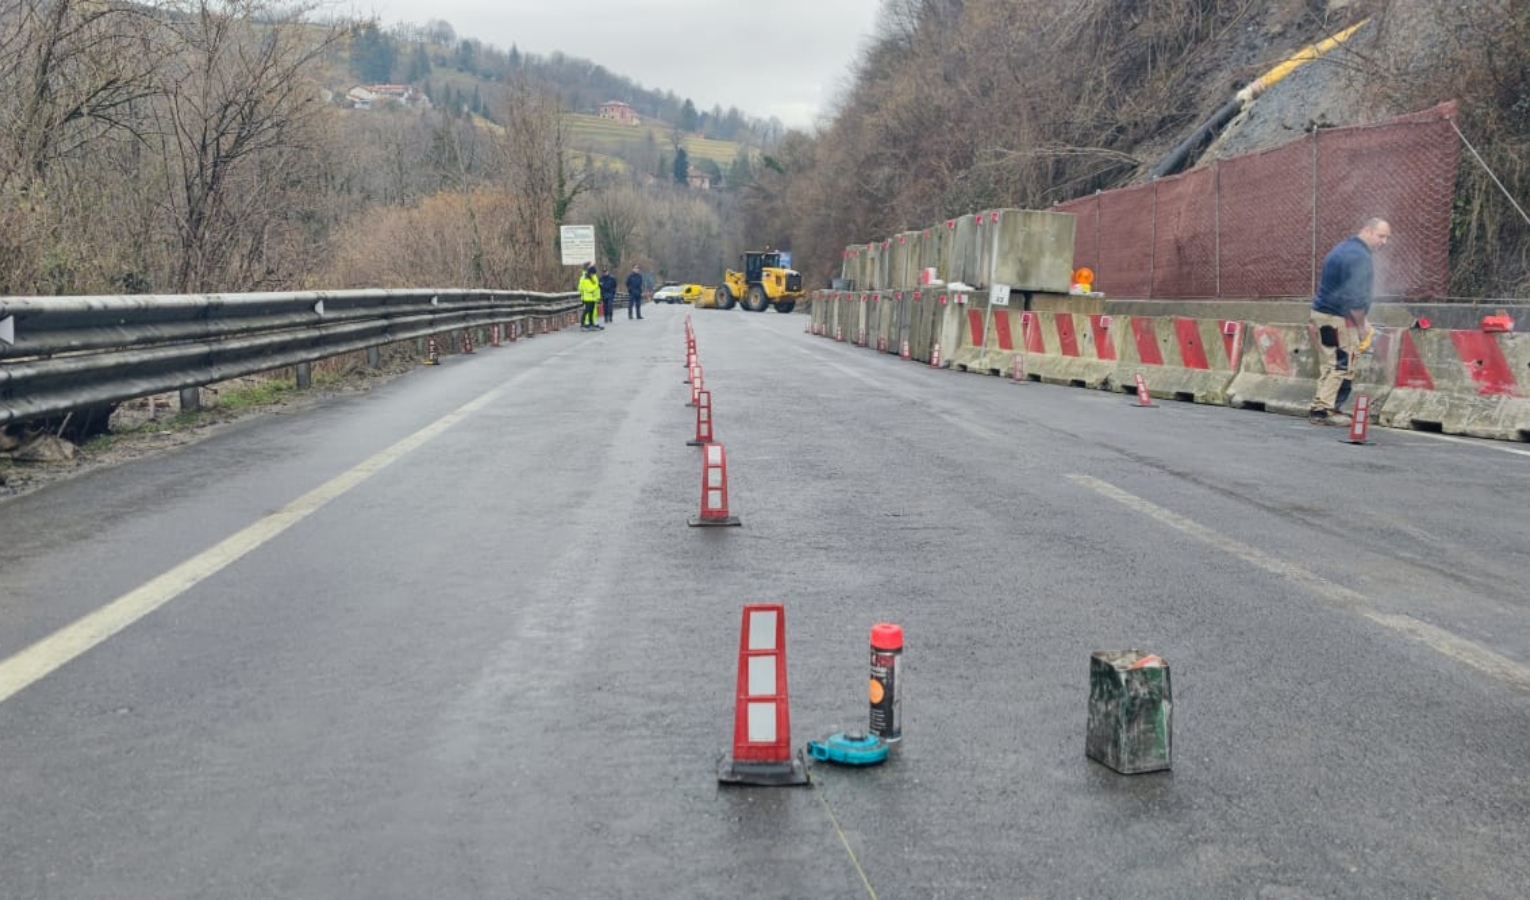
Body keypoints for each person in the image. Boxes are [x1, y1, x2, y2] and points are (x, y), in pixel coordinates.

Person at [1307, 217, 1390, 426]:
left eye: (1387, 238)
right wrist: (1362, 325)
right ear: (1367, 231)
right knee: (1341, 362)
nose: (1384, 242)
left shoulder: (1342, 249)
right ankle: (1324, 411)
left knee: (1330, 362)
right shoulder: (1359, 256)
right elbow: (1355, 295)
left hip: (1323, 314)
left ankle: (1321, 405)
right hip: (1337, 318)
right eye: (1381, 236)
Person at [579, 263, 601, 330]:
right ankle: (582, 324)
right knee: (586, 311)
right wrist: (597, 286)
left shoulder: (591, 279)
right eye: (593, 274)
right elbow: (589, 289)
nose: (593, 275)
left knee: (591, 312)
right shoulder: (586, 280)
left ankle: (591, 324)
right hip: (587, 298)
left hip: (592, 298)